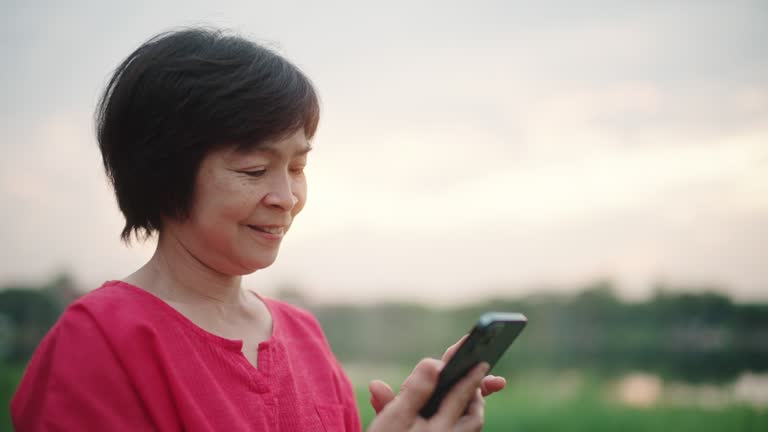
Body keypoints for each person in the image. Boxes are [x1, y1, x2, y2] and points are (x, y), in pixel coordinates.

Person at [11, 27, 505, 431]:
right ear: (162, 174)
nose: (287, 198)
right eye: (253, 170)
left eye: (296, 167)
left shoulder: (304, 335)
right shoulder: (99, 341)